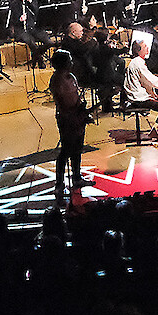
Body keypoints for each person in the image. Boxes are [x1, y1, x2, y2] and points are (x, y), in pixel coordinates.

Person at [48, 49, 93, 203]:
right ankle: (59, 184)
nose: (72, 62)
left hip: (78, 116)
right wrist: (72, 114)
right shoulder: (56, 80)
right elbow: (62, 101)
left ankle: (77, 177)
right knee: (66, 151)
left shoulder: (72, 77)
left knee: (78, 148)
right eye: (70, 60)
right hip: (66, 119)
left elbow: (76, 96)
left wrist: (82, 112)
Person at [123, 38, 158, 138]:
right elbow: (152, 81)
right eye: (144, 47)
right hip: (138, 98)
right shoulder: (138, 63)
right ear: (138, 50)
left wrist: (155, 96)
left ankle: (155, 129)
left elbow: (146, 82)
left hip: (139, 95)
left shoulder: (137, 61)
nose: (147, 48)